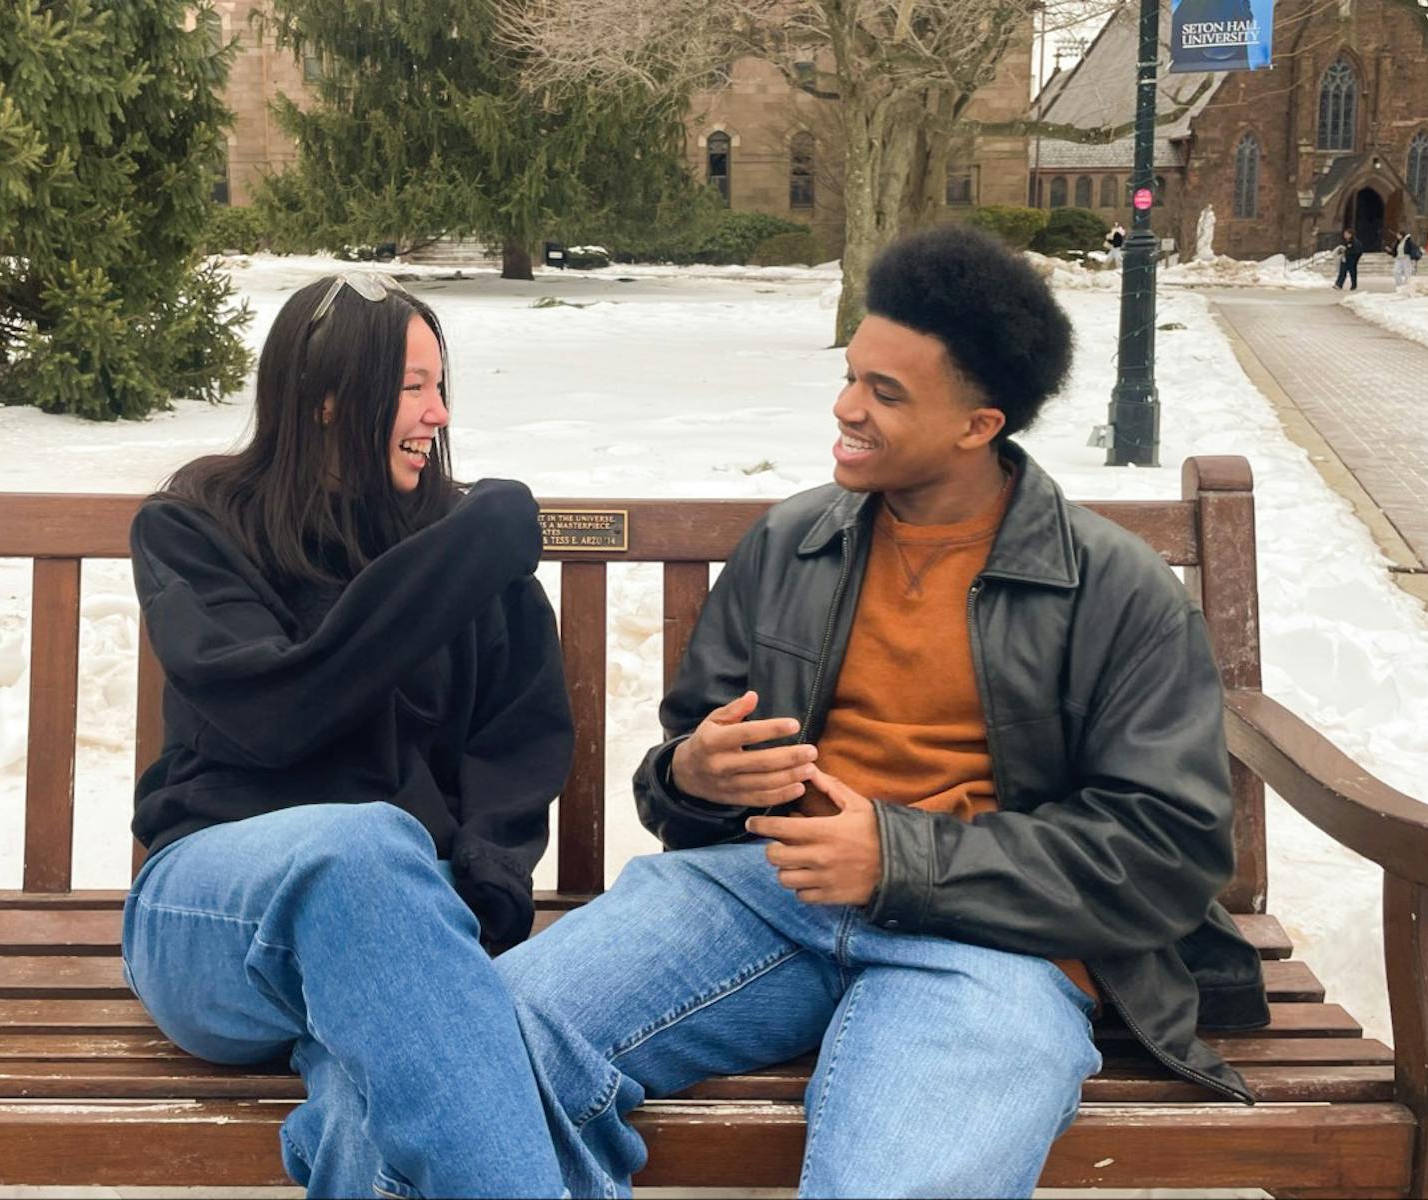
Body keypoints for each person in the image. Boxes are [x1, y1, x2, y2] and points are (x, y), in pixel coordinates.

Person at [499, 226, 1268, 1199]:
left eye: (886, 393)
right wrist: (693, 775)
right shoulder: (792, 543)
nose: (846, 406)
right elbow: (686, 774)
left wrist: (899, 859)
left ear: (979, 426)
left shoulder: (1115, 590)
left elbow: (1168, 852)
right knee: (486, 1045)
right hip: (767, 896)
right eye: (852, 376)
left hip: (997, 948)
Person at [121, 272, 572, 1199]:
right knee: (362, 846)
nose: (439, 414)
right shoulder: (195, 528)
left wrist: (478, 903)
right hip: (214, 916)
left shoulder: (464, 548)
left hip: (404, 938)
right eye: (413, 388)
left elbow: (516, 750)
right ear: (328, 397)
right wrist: (461, 555)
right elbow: (275, 713)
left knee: (369, 1109)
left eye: (441, 387)